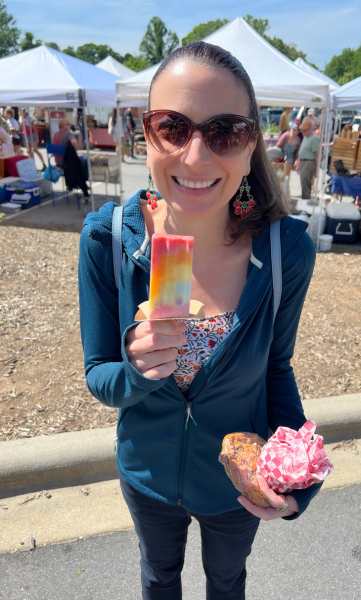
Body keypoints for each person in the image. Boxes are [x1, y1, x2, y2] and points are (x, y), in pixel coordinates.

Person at [79, 41, 322, 600]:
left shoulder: (286, 252)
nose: (194, 157)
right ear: (147, 133)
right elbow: (100, 376)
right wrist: (137, 370)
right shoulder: (109, 241)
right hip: (147, 474)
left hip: (234, 487)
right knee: (159, 578)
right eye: (173, 127)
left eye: (224, 132)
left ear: (252, 142)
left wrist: (295, 478)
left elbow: (276, 369)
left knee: (227, 581)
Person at [54, 118, 90, 202]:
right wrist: (74, 152)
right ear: (63, 126)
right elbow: (74, 142)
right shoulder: (67, 134)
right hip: (68, 163)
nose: (70, 125)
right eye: (68, 124)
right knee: (86, 161)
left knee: (80, 163)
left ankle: (81, 180)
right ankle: (84, 179)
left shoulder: (55, 135)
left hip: (58, 162)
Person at [298, 118, 320, 199]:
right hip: (303, 162)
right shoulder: (306, 136)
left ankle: (305, 202)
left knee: (306, 183)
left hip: (309, 162)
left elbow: (318, 154)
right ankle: (305, 201)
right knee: (304, 182)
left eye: (304, 130)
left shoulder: (314, 138)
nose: (302, 132)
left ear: (310, 129)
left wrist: (316, 169)